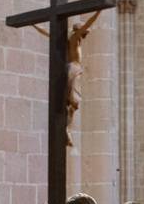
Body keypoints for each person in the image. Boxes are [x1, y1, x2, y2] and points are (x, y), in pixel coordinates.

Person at [32, 10, 102, 145]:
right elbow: (89, 23)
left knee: (70, 103)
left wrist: (33, 25)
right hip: (74, 69)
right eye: (85, 31)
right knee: (75, 102)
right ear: (79, 30)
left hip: (68, 69)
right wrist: (99, 12)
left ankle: (67, 129)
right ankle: (67, 129)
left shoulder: (66, 40)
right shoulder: (75, 38)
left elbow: (45, 32)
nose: (87, 33)